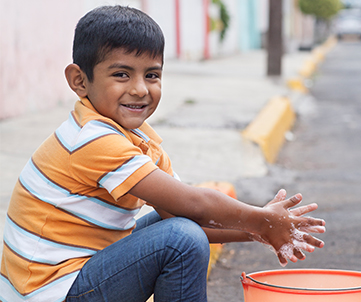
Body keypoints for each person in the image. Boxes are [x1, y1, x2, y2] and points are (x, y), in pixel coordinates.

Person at [0, 5, 325, 302]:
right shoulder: (92, 140)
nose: (141, 89)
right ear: (79, 81)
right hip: (47, 291)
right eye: (121, 74)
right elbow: (195, 206)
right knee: (179, 239)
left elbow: (182, 212)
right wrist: (261, 218)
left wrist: (258, 230)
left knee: (177, 226)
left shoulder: (138, 139)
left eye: (152, 75)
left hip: (74, 275)